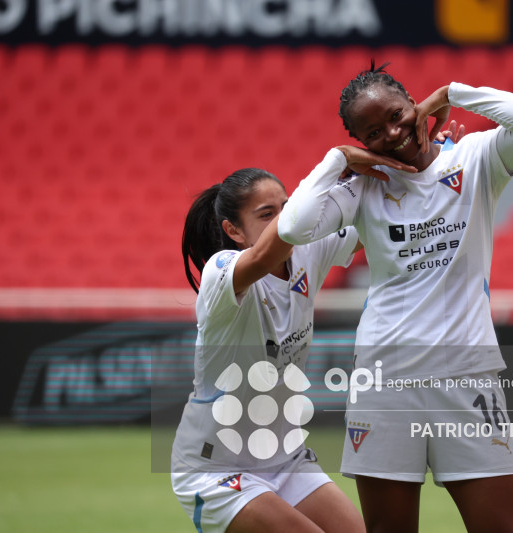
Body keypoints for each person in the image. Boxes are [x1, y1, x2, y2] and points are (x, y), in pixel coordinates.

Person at [278, 63, 513, 533]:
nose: (393, 131)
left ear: (414, 102)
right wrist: (340, 158)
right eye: (373, 132)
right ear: (364, 142)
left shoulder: (474, 159)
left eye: (397, 113)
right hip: (384, 381)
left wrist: (451, 92)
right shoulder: (363, 188)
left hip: (468, 378)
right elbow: (291, 226)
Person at [169, 143, 438, 533]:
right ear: (233, 231)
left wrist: (418, 163)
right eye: (267, 214)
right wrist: (336, 162)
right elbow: (265, 254)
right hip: (216, 470)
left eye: (287, 205)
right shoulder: (221, 273)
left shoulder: (308, 250)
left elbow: (374, 218)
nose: (285, 218)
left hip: (284, 458)